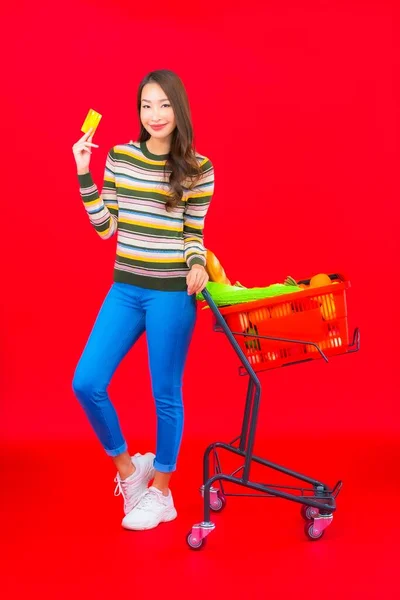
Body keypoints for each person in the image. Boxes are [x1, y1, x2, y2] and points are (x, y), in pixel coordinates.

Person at [71, 69, 214, 531]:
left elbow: (194, 234)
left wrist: (196, 264)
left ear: (179, 109)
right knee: (87, 382)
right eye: (147, 105)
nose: (155, 115)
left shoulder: (199, 168)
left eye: (165, 105)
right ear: (138, 112)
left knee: (166, 395)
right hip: (126, 289)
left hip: (172, 293)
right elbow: (106, 227)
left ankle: (163, 494)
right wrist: (83, 172)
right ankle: (131, 473)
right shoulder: (120, 157)